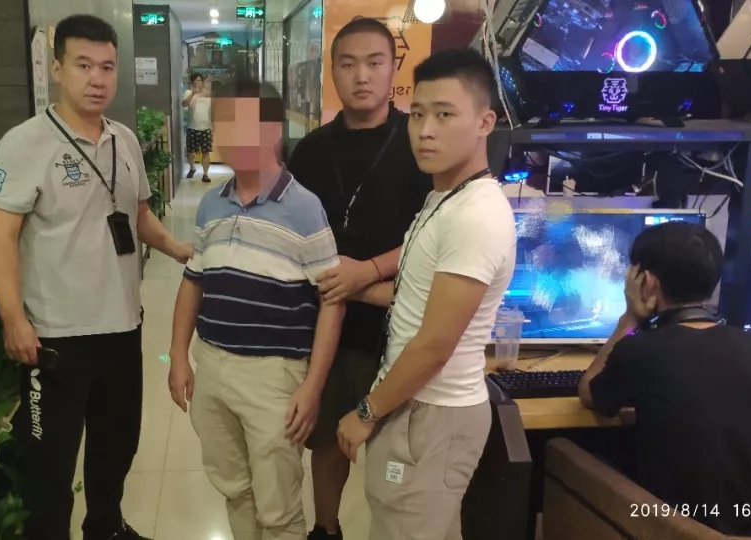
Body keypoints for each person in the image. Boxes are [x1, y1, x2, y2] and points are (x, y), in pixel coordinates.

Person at [0, 14, 192, 540]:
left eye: (107, 67)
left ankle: (106, 528)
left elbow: (137, 214)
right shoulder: (22, 144)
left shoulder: (125, 140)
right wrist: (13, 318)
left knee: (116, 446)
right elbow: (2, 239)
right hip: (55, 337)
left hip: (122, 326)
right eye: (83, 65)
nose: (97, 79)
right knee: (50, 465)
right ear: (56, 68)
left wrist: (176, 248)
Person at [335, 49, 516, 540]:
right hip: (419, 406)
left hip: (433, 412)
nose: (425, 130)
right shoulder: (445, 198)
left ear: (485, 122)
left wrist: (366, 411)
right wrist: (352, 288)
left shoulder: (476, 216)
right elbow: (417, 298)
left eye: (444, 115)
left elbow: (435, 344)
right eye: (417, 115)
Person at [166, 79, 345, 540]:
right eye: (225, 123)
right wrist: (179, 356)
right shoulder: (212, 204)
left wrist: (312, 386)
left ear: (274, 131)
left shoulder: (305, 208)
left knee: (278, 506)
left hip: (273, 375)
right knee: (234, 488)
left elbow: (332, 302)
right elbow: (193, 282)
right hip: (213, 366)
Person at [285, 17, 432, 540]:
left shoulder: (418, 141)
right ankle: (326, 530)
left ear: (393, 69)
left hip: (398, 326)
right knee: (327, 439)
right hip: (327, 324)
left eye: (374, 63)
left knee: (395, 450)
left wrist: (366, 273)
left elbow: (430, 233)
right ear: (332, 72)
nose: (361, 76)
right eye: (348, 64)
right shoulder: (310, 150)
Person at [578, 221, 751, 537]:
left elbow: (588, 393)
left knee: (584, 453)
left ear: (646, 281)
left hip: (672, 528)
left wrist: (630, 318)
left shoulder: (640, 349)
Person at [182, 73, 213, 182]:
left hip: (206, 127)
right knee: (191, 151)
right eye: (195, 81)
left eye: (199, 80)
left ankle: (205, 174)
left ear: (202, 82)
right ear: (192, 82)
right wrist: (193, 93)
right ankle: (192, 168)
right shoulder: (188, 93)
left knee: (206, 152)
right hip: (192, 127)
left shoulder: (208, 94)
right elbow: (184, 104)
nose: (197, 83)